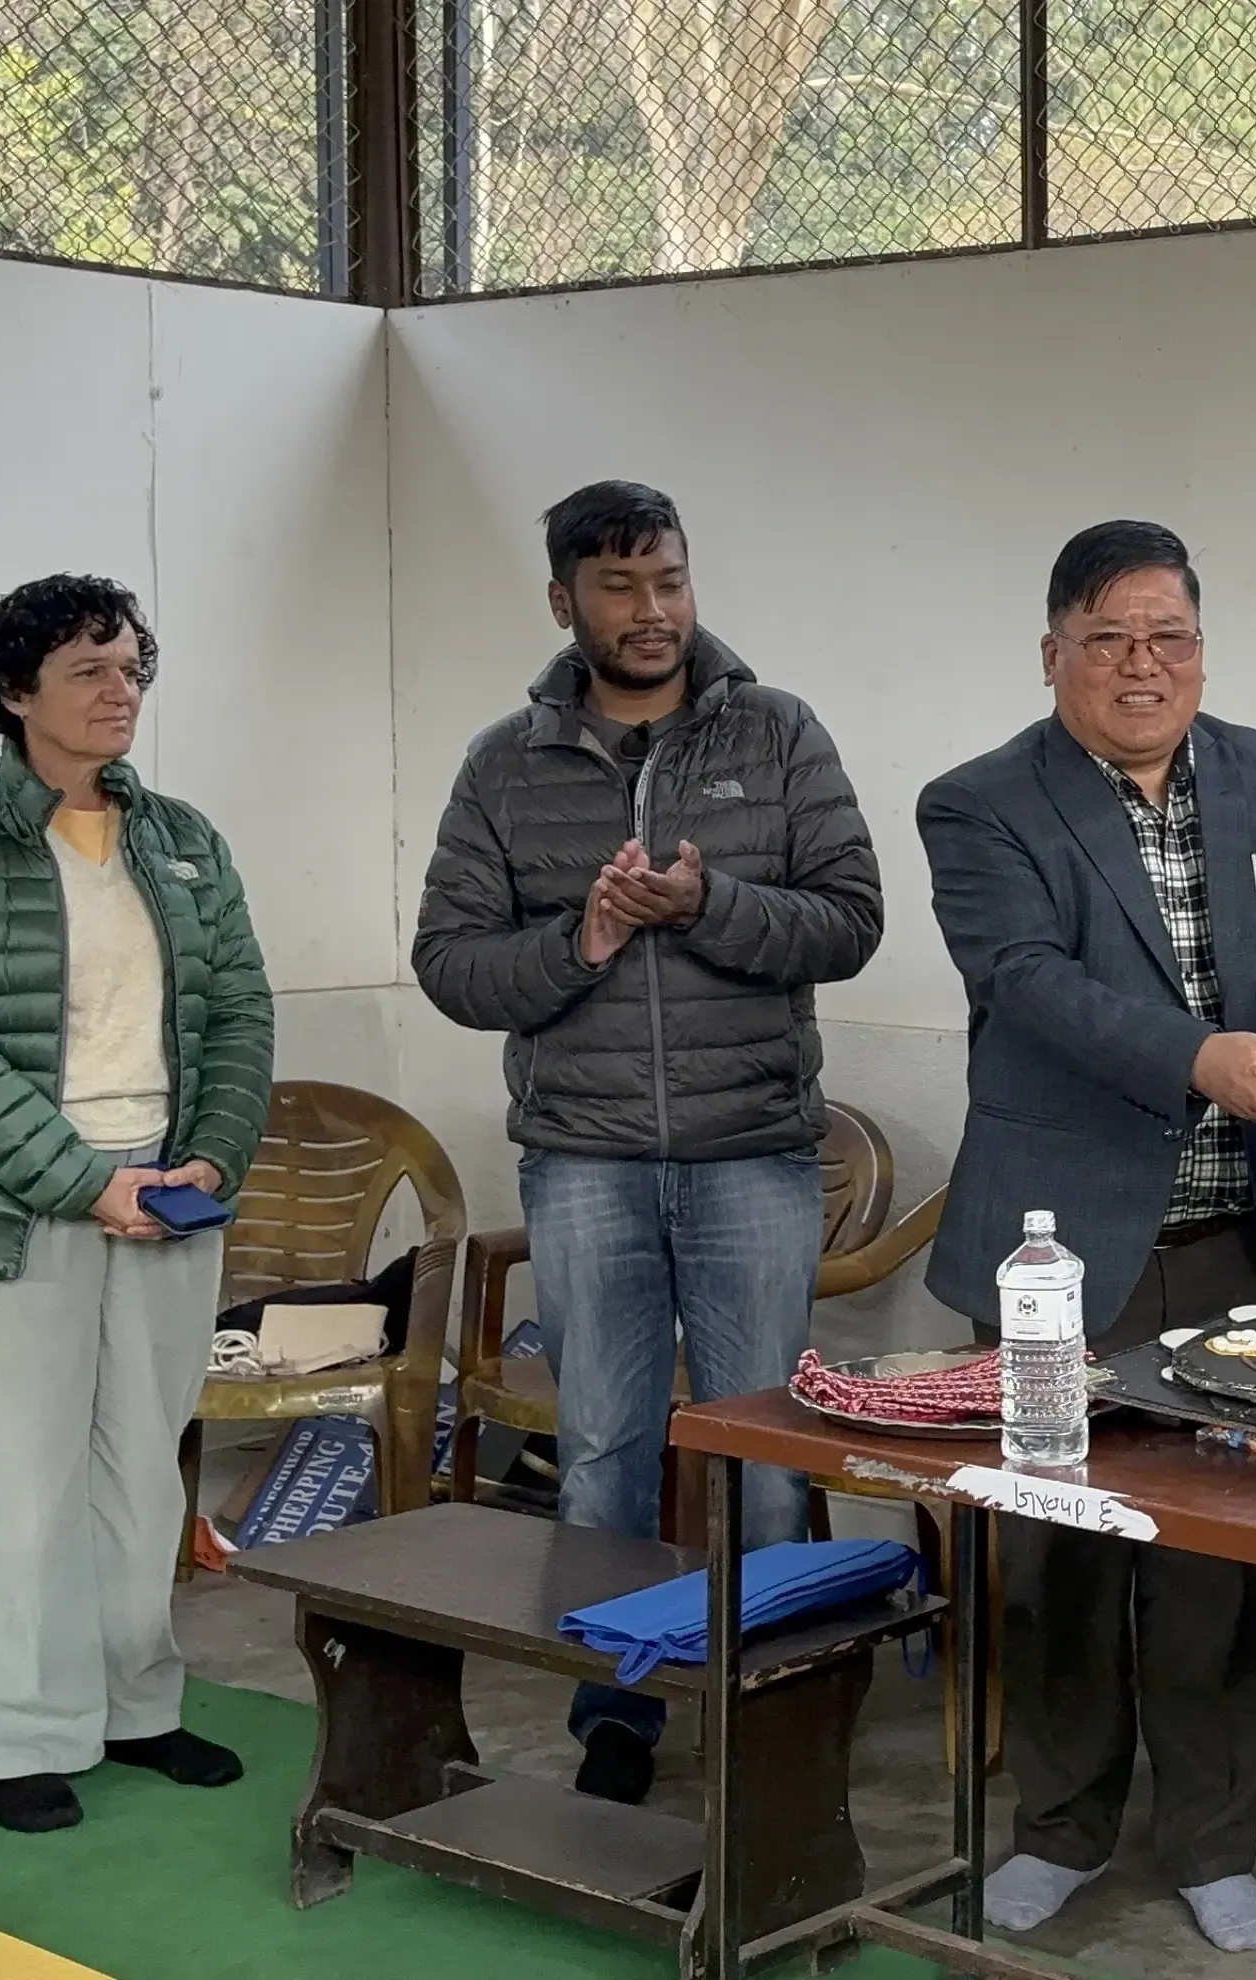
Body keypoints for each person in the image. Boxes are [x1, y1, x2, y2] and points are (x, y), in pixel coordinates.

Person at [918, 520, 1256, 1955]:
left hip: (1240, 1236)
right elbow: (1025, 982)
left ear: (1201, 648)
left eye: (1169, 639)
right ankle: (1064, 1828)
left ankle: (1215, 1837)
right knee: (1061, 1552)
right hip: (1061, 1249)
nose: (1143, 668)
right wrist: (1201, 1056)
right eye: (1109, 641)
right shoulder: (978, 804)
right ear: (1054, 656)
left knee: (1224, 1565)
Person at [411, 479, 883, 1802]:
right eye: (620, 588)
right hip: (585, 1163)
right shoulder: (505, 763)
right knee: (605, 1458)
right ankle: (613, 1719)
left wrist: (706, 903)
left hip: (755, 1157)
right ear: (566, 603)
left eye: (669, 580)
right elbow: (449, 964)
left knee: (764, 1455)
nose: (653, 609)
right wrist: (589, 939)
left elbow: (849, 922)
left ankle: (764, 1713)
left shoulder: (780, 735)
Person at [0, 575, 275, 1834]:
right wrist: (83, 1182)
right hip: (9, 1211)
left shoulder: (185, 839)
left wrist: (208, 1161)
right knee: (14, 1483)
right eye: (90, 672)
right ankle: (18, 1736)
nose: (121, 694)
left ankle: (136, 1707)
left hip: (167, 1197)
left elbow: (242, 1014)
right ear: (14, 694)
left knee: (141, 1475)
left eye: (131, 669)